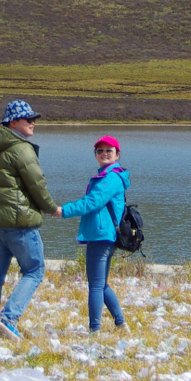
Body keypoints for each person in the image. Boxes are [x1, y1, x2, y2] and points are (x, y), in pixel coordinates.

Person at [0, 99, 64, 338]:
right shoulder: (22, 149)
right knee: (35, 270)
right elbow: (37, 184)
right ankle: (9, 319)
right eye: (28, 119)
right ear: (13, 122)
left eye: (34, 119)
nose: (33, 123)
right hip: (19, 224)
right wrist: (52, 208)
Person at [57, 135, 130, 338]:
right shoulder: (108, 176)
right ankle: (121, 324)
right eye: (100, 151)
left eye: (109, 150)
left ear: (117, 154)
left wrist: (64, 211)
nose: (104, 154)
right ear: (95, 155)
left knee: (96, 285)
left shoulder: (110, 178)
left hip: (101, 236)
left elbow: (92, 202)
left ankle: (94, 331)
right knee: (101, 283)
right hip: (104, 234)